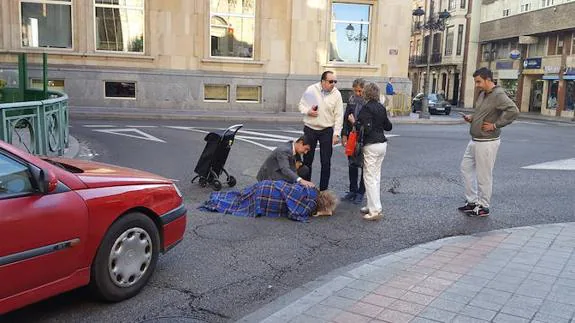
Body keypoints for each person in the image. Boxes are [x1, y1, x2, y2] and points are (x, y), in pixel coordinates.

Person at [458, 67, 519, 217]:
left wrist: (496, 125)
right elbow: (482, 112)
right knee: (465, 169)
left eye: (479, 81)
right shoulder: (483, 94)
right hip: (475, 140)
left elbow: (514, 110)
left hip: (487, 141)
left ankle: (484, 206)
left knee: (483, 175)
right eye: (475, 81)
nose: (477, 84)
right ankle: (472, 202)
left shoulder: (498, 94)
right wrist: (472, 118)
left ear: (488, 79)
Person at [199, 180, 339, 222]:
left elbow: (292, 187)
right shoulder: (309, 206)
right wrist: (321, 213)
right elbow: (295, 214)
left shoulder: (310, 189)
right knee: (240, 204)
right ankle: (217, 202)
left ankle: (217, 198)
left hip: (268, 185)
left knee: (239, 198)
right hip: (266, 198)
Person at [298, 71, 344, 191]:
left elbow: (339, 115)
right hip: (310, 129)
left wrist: (336, 134)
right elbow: (301, 105)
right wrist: (308, 111)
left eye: (335, 81)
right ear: (323, 81)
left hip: (326, 130)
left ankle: (323, 191)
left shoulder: (336, 94)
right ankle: (306, 188)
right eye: (330, 81)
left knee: (326, 162)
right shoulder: (312, 89)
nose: (333, 84)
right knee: (307, 160)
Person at [357, 82, 393, 221]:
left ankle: (375, 210)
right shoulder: (381, 107)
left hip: (371, 144)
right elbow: (388, 127)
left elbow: (365, 128)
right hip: (382, 144)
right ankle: (371, 205)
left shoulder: (366, 108)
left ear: (366, 93)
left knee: (369, 177)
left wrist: (355, 122)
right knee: (375, 176)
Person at [341, 78, 366, 204]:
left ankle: (361, 192)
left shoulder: (368, 101)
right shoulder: (351, 100)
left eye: (360, 91)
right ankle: (353, 190)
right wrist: (344, 134)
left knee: (364, 165)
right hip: (352, 135)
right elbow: (346, 118)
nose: (358, 93)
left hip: (364, 137)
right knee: (352, 163)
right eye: (356, 91)